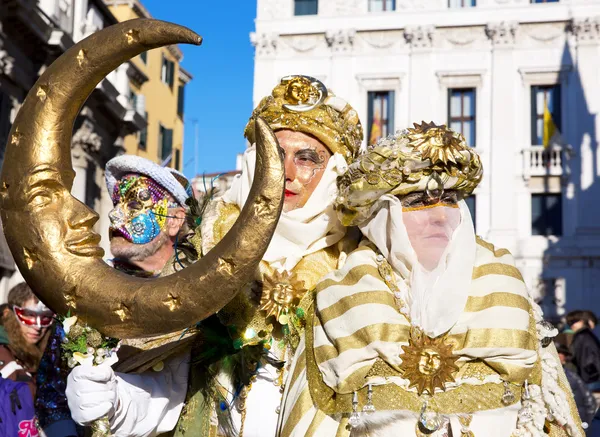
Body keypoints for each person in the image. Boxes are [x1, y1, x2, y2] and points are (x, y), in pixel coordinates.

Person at [65, 75, 364, 437]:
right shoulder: (207, 250)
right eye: (275, 155)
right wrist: (114, 400)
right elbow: (172, 393)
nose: (285, 173)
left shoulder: (360, 266)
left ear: (333, 170)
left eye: (306, 158)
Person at [277, 122, 584, 436]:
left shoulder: (505, 286)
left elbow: (553, 419)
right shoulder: (338, 300)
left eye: (449, 200)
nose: (440, 216)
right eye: (417, 202)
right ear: (382, 216)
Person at [36, 157, 195, 437]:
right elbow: (52, 393)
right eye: (117, 204)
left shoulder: (199, 292)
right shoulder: (86, 291)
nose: (115, 216)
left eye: (134, 205)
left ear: (175, 221)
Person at [0, 282, 54, 396]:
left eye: (45, 317)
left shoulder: (49, 356)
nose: (37, 327)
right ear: (7, 314)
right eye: (29, 315)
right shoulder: (3, 353)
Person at [556, 342, 596, 429]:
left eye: (560, 353)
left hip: (577, 420)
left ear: (565, 357)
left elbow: (588, 399)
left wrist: (587, 420)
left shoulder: (572, 376)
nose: (557, 355)